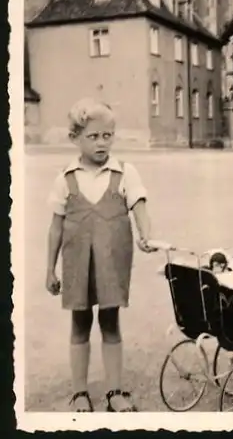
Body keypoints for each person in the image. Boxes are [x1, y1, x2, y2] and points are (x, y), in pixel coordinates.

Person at [46, 97, 156, 413]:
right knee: (80, 323)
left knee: (110, 321)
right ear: (75, 139)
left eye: (107, 136)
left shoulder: (125, 172)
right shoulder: (65, 178)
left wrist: (145, 233)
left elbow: (139, 206)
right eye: (93, 136)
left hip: (112, 261)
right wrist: (49, 270)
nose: (101, 143)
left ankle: (114, 392)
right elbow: (55, 228)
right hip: (77, 262)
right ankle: (80, 392)